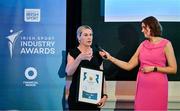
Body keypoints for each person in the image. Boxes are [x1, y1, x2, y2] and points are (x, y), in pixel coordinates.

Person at [100, 16, 177, 111]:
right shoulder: (143, 45)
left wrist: (154, 68)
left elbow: (173, 69)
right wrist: (110, 58)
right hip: (143, 87)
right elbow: (129, 65)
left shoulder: (166, 44)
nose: (142, 30)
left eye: (144, 27)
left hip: (158, 86)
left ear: (151, 27)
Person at [66, 25, 107, 111]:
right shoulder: (73, 53)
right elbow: (69, 72)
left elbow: (102, 77)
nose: (89, 37)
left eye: (90, 35)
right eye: (85, 35)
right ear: (79, 37)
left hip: (94, 99)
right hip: (77, 99)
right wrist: (79, 58)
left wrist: (105, 95)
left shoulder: (97, 54)